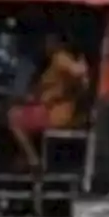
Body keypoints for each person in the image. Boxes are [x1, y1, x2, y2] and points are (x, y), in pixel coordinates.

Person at [7, 32, 89, 169]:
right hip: (56, 109)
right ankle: (23, 156)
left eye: (49, 42)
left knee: (13, 116)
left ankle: (33, 159)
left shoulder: (60, 57)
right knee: (17, 111)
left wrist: (82, 66)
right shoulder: (54, 61)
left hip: (56, 113)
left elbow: (77, 71)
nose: (46, 45)